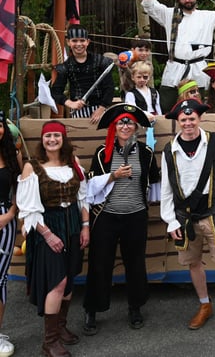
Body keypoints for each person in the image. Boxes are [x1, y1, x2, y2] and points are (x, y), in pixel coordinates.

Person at [160, 99, 215, 337]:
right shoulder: (170, 150)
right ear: (178, 122)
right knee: (194, 263)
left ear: (199, 119)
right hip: (183, 217)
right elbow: (167, 188)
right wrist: (170, 220)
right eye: (183, 119)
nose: (188, 123)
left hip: (212, 212)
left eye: (192, 118)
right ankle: (205, 304)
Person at [83, 104, 160, 335]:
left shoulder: (146, 153)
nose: (125, 126)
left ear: (135, 126)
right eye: (120, 122)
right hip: (106, 216)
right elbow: (90, 187)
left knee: (135, 263)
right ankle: (92, 309)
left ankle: (135, 307)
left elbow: (154, 183)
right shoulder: (101, 152)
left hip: (135, 215)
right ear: (114, 128)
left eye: (128, 122)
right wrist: (113, 176)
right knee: (100, 263)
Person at [16, 121, 90, 356]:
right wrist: (47, 235)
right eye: (48, 136)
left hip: (73, 225)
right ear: (42, 140)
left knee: (69, 279)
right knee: (57, 281)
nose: (52, 140)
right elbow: (27, 209)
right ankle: (49, 342)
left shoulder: (73, 164)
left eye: (57, 136)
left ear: (63, 139)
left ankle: (60, 328)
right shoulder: (32, 168)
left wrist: (85, 226)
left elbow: (83, 198)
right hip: (47, 225)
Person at [140, 0, 215, 113]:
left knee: (199, 108)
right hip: (175, 68)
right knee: (167, 106)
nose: (187, 0)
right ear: (179, 0)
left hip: (198, 69)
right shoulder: (170, 15)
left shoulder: (207, 16)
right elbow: (150, 4)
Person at [51, 25, 114, 123]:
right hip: (78, 112)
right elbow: (56, 91)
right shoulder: (66, 66)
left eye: (82, 40)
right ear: (68, 42)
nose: (79, 44)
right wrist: (70, 103)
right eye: (74, 41)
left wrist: (101, 109)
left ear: (88, 42)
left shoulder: (101, 61)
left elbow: (109, 88)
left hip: (101, 110)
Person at [0, 111, 23, 357]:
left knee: (0, 278)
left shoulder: (12, 154)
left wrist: (11, 214)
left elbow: (19, 188)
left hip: (5, 220)